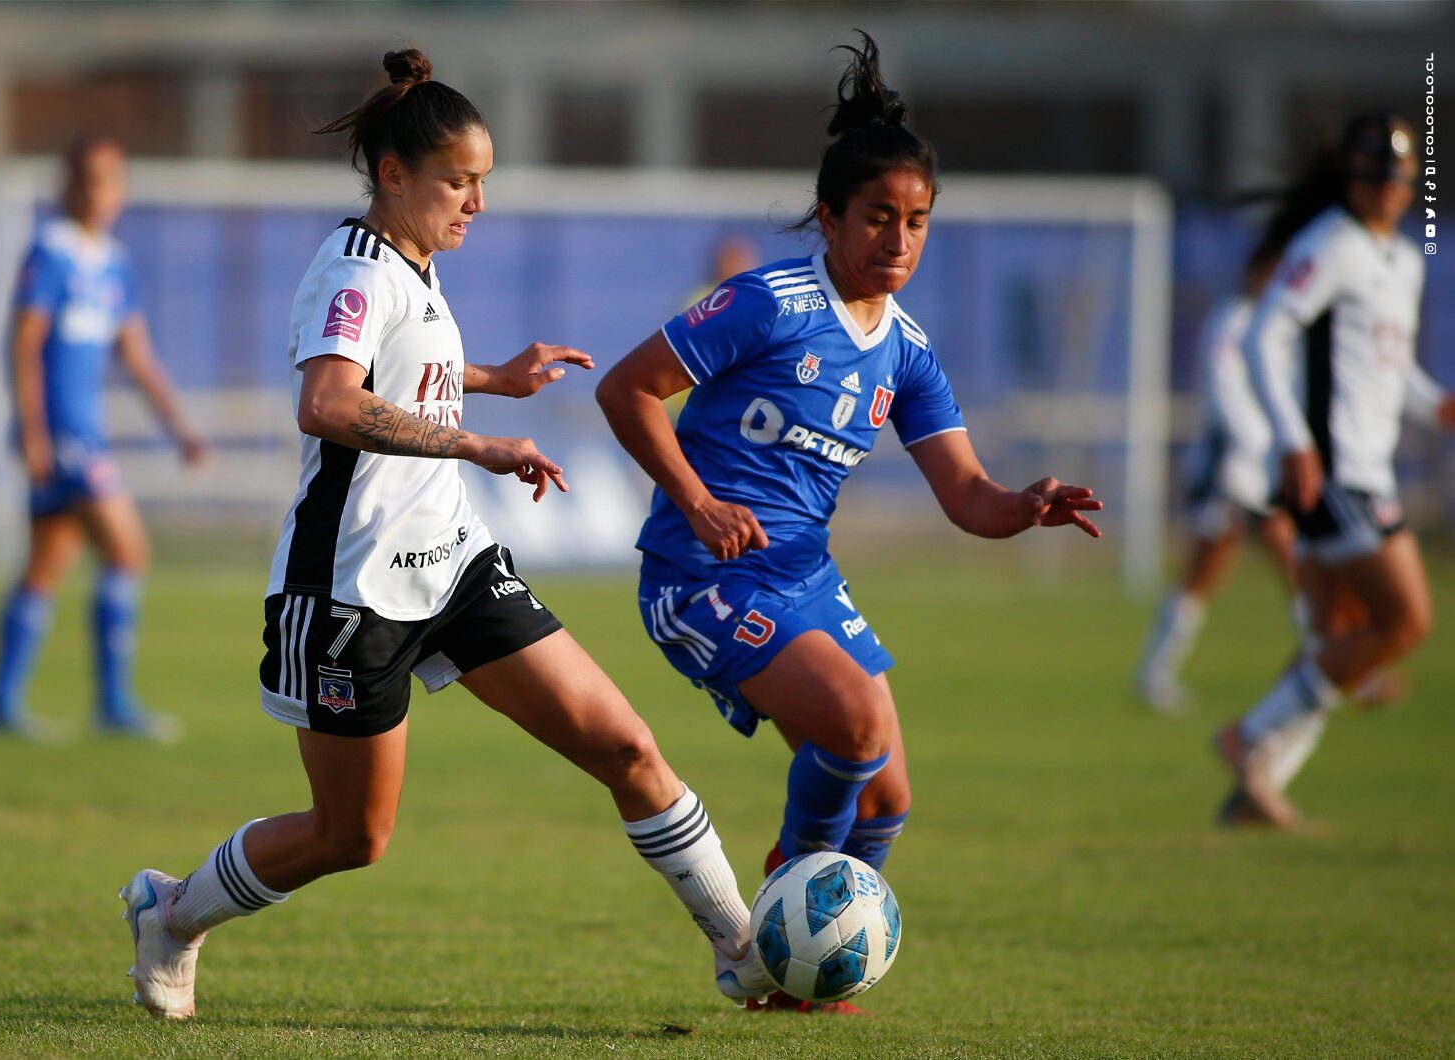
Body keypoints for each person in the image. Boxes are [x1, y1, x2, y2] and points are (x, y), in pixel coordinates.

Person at [118, 50, 781, 1020]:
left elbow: (405, 365)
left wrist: (490, 377)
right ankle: (172, 911)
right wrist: (476, 441)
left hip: (457, 568)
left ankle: (740, 950)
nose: (475, 202)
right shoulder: (352, 268)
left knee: (625, 745)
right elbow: (329, 401)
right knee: (352, 835)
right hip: (351, 591)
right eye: (458, 181)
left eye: (483, 183)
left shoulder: (414, 266)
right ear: (393, 174)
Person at [595, 33, 1101, 1012]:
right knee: (859, 721)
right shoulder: (766, 302)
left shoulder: (906, 353)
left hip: (801, 579)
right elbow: (627, 391)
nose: (898, 240)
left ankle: (796, 982)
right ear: (828, 217)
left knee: (888, 797)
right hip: (698, 573)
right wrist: (696, 502)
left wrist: (1021, 506)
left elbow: (965, 496)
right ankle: (777, 910)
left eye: (916, 222)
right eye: (878, 217)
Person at [1216, 112, 1453, 828]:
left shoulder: (1403, 262)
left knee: (1333, 640)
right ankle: (1249, 738)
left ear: (1413, 184)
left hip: (1364, 470)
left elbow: (1389, 369)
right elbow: (1264, 333)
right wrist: (1293, 440)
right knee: (1406, 620)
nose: (1384, 187)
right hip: (1336, 474)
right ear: (1349, 177)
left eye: (1397, 174)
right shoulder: (1331, 246)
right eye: (1371, 172)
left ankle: (1258, 788)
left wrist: (1438, 404)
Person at [0, 138, 204, 741]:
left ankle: (1, 706)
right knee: (127, 551)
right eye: (86, 179)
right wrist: (32, 431)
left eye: (108, 180)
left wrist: (178, 428)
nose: (97, 192)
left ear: (121, 190)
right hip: (64, 436)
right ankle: (113, 704)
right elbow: (23, 344)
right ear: (67, 187)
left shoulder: (113, 263)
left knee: (46, 563)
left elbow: (137, 357)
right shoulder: (50, 254)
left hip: (83, 434)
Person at [1135, 241, 1304, 715]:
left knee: (1293, 562)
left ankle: (1331, 662)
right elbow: (1224, 393)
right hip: (1232, 469)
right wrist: (1264, 445)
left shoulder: (1281, 328)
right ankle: (1155, 671)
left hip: (1264, 470)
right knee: (1206, 570)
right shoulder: (1232, 320)